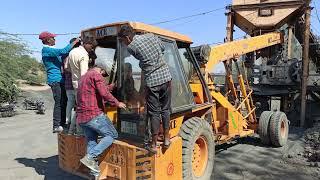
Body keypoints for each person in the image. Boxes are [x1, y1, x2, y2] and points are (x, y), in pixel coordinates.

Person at [118, 26, 172, 153]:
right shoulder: (151, 36)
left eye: (123, 41)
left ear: (127, 37)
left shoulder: (132, 47)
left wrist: (145, 65)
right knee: (165, 109)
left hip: (153, 81)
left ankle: (153, 144)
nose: (124, 44)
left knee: (154, 113)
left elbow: (141, 61)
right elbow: (162, 48)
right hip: (166, 77)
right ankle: (167, 138)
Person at [77, 58, 126, 173]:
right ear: (102, 69)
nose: (104, 76)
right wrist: (117, 103)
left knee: (92, 141)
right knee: (112, 134)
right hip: (94, 114)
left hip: (82, 118)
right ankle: (89, 157)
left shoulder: (83, 77)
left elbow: (96, 91)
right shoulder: (96, 75)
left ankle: (94, 173)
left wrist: (111, 86)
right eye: (104, 74)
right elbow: (104, 94)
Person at [39, 31, 80, 133]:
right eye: (53, 38)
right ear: (48, 40)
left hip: (59, 79)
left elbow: (64, 53)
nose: (55, 39)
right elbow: (63, 51)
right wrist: (75, 42)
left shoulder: (51, 50)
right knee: (59, 103)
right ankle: (56, 125)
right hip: (55, 80)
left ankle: (62, 123)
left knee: (64, 101)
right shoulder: (46, 50)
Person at [67, 37, 97, 134]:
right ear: (87, 44)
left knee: (78, 109)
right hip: (83, 87)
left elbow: (67, 67)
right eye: (91, 47)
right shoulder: (84, 55)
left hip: (75, 84)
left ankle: (71, 131)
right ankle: (80, 133)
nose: (91, 49)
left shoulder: (72, 52)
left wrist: (75, 74)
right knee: (84, 111)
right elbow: (84, 75)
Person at [63, 38, 81, 134]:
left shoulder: (67, 57)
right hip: (76, 85)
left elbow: (64, 69)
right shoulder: (77, 55)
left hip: (67, 85)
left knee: (69, 104)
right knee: (79, 106)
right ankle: (78, 127)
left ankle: (67, 121)